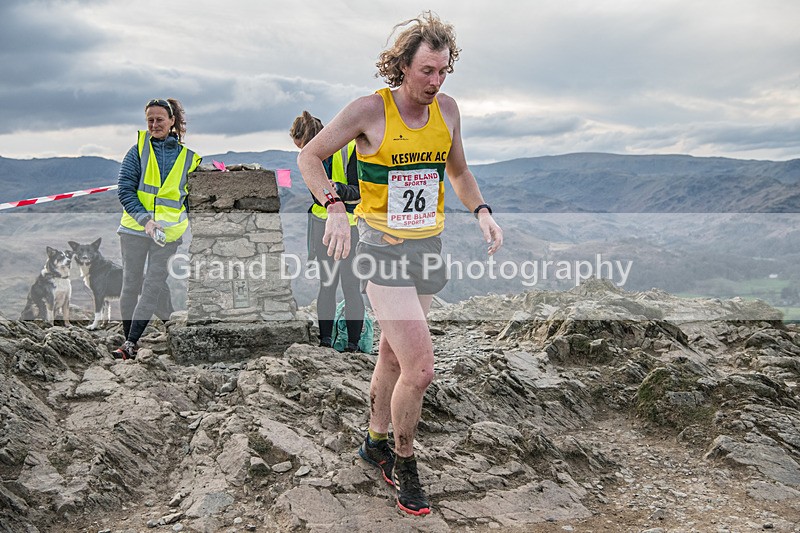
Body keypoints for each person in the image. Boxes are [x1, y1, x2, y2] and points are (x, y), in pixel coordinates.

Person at [297, 12, 503, 516]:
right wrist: (336, 208)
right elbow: (308, 157)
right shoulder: (370, 110)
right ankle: (402, 462)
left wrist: (481, 212)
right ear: (402, 66)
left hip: (427, 248)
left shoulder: (448, 111)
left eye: (443, 71)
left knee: (392, 354)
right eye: (426, 71)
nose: (435, 82)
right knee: (421, 367)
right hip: (382, 250)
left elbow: (457, 170)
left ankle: (373, 441)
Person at [113, 98, 201, 360]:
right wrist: (146, 221)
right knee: (130, 286)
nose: (154, 124)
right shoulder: (137, 150)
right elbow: (125, 191)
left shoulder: (189, 159)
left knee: (152, 286)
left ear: (172, 121)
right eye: (149, 120)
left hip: (168, 234)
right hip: (134, 230)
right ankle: (130, 341)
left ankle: (130, 343)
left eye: (159, 119)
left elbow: (192, 200)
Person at [289, 111, 365, 352]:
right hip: (323, 226)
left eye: (302, 146)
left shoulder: (350, 149)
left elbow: (363, 189)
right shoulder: (309, 157)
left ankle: (351, 345)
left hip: (351, 225)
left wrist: (339, 189)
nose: (304, 153)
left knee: (348, 285)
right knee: (330, 284)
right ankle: (326, 343)